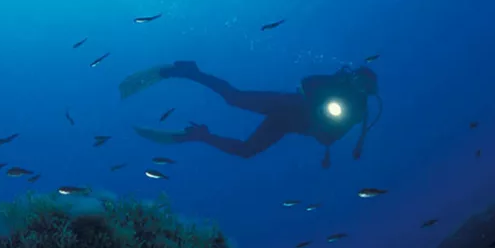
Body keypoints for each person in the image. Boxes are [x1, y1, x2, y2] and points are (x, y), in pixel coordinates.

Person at [119, 61, 382, 168]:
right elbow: (308, 81)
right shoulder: (338, 82)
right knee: (234, 97)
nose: (358, 85)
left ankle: (200, 136)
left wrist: (321, 126)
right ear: (354, 76)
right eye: (358, 79)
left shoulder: (359, 112)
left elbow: (329, 140)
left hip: (291, 124)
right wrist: (319, 102)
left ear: (368, 92)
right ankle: (190, 71)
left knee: (246, 151)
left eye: (363, 86)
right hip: (287, 105)